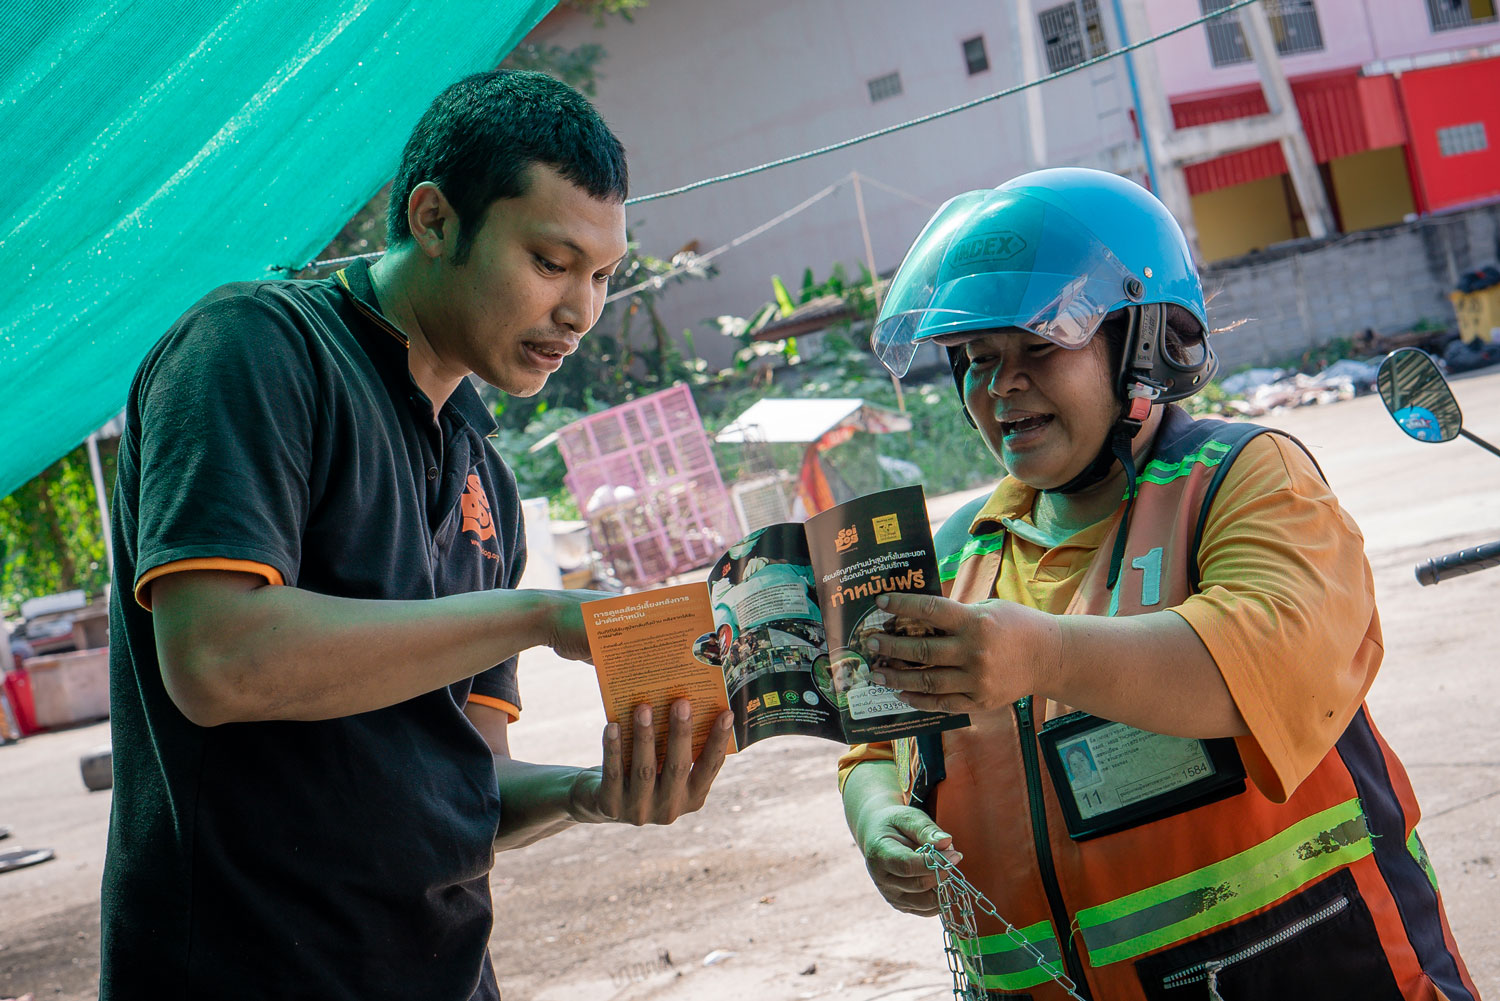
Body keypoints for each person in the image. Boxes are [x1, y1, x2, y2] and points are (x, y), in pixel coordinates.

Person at [101, 70, 734, 1001]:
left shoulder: (487, 478)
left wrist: (585, 794)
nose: (581, 311)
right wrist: (540, 616)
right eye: (551, 263)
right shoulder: (257, 347)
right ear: (435, 220)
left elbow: (469, 779)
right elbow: (220, 659)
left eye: (602, 276)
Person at [838, 168, 1479, 1000]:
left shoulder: (1245, 478)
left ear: (1142, 348)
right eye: (976, 359)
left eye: (1040, 347)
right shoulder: (958, 550)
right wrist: (878, 818)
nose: (1002, 385)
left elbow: (1263, 663)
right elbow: (877, 741)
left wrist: (1044, 655)